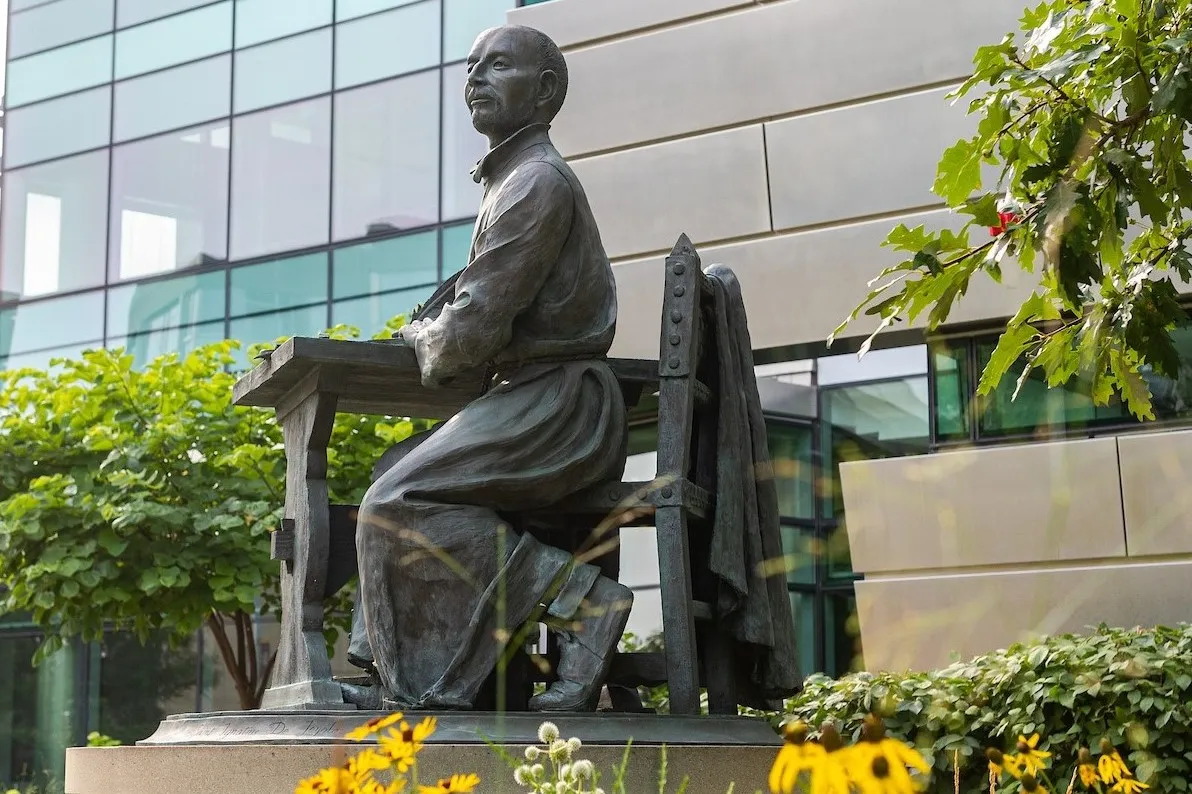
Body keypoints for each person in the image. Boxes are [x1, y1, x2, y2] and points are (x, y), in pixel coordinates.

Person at [347, 24, 633, 712]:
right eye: (471, 66)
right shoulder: (509, 181)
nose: (474, 78)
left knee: (397, 504)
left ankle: (585, 604)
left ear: (545, 91)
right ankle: (388, 670)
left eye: (497, 65)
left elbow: (464, 338)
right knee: (392, 473)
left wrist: (424, 333)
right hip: (530, 398)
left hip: (560, 409)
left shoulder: (537, 184)